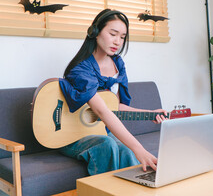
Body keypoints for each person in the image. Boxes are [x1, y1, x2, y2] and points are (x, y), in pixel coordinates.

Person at [58, 9, 167, 175]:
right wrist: (140, 149)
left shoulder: (117, 64)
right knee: (107, 144)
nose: (118, 41)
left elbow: (114, 107)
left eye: (122, 37)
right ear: (95, 32)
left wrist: (150, 113)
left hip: (99, 131)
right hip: (70, 134)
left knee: (126, 152)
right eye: (113, 34)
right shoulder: (80, 69)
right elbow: (101, 110)